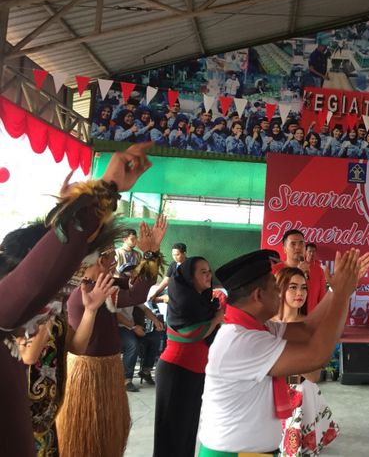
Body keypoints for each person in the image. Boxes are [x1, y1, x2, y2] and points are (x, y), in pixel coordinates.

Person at [0, 142, 154, 457]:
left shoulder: (68, 297)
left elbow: (75, 344)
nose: (107, 260)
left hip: (43, 430)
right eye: (102, 256)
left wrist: (91, 309)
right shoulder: (32, 305)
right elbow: (29, 353)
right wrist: (104, 191)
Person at [197, 248, 369, 455]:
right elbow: (317, 354)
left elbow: (307, 330)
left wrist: (337, 291)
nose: (280, 295)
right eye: (276, 288)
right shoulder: (242, 341)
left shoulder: (254, 327)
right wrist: (342, 296)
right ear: (258, 295)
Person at [56, 216, 167, 457]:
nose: (112, 260)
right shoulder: (84, 289)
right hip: (88, 372)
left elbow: (138, 288)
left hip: (107, 368)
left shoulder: (106, 283)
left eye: (111, 255)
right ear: (88, 263)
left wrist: (151, 252)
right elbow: (136, 295)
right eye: (105, 257)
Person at [153, 257, 224, 457]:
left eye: (209, 270)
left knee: (186, 433)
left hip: (195, 373)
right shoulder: (183, 303)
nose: (208, 274)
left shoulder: (202, 302)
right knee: (170, 436)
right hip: (176, 373)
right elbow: (194, 333)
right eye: (202, 271)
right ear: (189, 277)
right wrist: (218, 317)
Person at [274, 267, 339, 456]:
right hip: (266, 393)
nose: (299, 293)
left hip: (298, 392)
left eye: (303, 288)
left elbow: (313, 375)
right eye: (293, 287)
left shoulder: (309, 325)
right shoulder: (265, 323)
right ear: (280, 289)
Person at [273, 230, 328, 314]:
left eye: (301, 243)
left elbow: (321, 300)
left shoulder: (318, 271)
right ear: (284, 249)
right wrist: (298, 273)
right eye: (293, 244)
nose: (298, 247)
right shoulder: (275, 270)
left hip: (309, 322)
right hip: (281, 322)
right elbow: (271, 299)